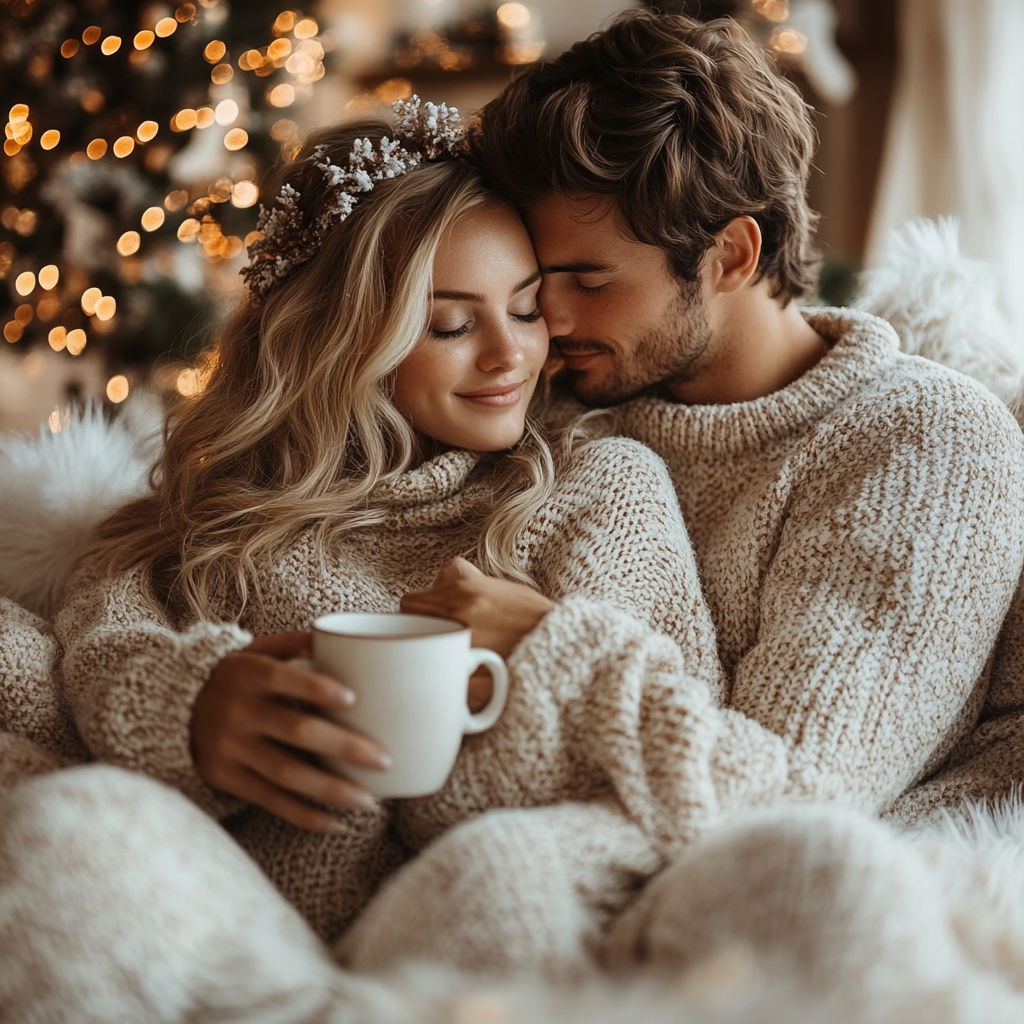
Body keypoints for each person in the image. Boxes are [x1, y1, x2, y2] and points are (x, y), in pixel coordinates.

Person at [342, 9, 1024, 972]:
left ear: (734, 255)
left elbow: (800, 800)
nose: (547, 325)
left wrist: (555, 648)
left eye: (588, 280)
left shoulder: (926, 442)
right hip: (556, 860)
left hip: (810, 910)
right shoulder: (561, 403)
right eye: (540, 283)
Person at [43, 97, 720, 951]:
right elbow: (101, 645)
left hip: (501, 925)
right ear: (342, 337)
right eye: (450, 323)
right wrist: (189, 709)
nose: (511, 355)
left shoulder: (599, 489)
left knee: (500, 886)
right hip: (238, 929)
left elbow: (664, 747)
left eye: (524, 307)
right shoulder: (216, 521)